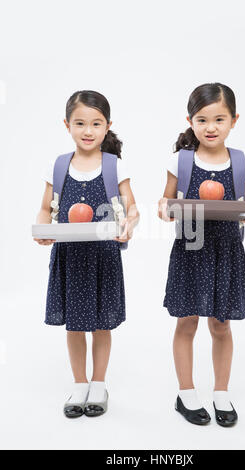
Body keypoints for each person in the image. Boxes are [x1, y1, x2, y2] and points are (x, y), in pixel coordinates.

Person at [158, 82, 245, 427]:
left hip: (227, 252)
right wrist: (166, 208)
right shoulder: (182, 160)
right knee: (186, 322)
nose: (211, 127)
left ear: (234, 120)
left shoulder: (241, 161)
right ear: (190, 121)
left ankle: (221, 392)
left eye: (219, 119)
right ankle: (186, 392)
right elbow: (166, 202)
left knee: (221, 324)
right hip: (191, 251)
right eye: (202, 120)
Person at [34, 90, 139, 418]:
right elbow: (43, 208)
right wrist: (43, 229)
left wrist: (129, 224)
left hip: (104, 257)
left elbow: (132, 209)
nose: (88, 130)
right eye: (80, 123)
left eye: (96, 123)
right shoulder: (59, 166)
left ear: (108, 126)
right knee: (75, 326)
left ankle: (98, 383)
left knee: (101, 325)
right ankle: (79, 384)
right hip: (71, 258)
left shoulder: (113, 166)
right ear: (67, 125)